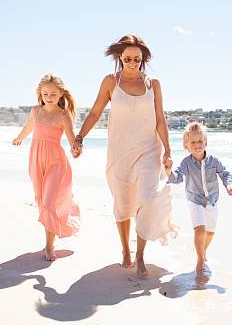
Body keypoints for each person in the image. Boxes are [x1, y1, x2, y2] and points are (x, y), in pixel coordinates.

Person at [72, 34, 176, 277]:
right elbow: (96, 111)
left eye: (137, 59)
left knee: (146, 199)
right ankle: (125, 251)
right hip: (120, 152)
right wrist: (80, 137)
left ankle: (140, 255)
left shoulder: (154, 84)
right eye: (127, 58)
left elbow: (160, 119)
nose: (132, 62)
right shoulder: (111, 82)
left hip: (150, 150)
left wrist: (168, 149)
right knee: (123, 202)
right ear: (120, 57)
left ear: (143, 59)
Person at [12, 73, 81, 261]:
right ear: (40, 94)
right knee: (42, 202)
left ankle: (49, 247)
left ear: (60, 95)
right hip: (36, 159)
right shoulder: (36, 111)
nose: (49, 97)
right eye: (45, 94)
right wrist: (19, 138)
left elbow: (71, 138)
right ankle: (50, 238)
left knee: (49, 203)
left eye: (52, 94)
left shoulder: (63, 115)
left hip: (56, 162)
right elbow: (28, 128)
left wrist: (76, 148)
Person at [165, 122, 232, 273]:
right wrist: (169, 172)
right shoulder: (186, 163)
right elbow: (177, 177)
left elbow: (225, 173)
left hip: (212, 201)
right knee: (200, 230)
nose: (197, 145)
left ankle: (202, 251)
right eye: (193, 142)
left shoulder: (214, 161)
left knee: (210, 232)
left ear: (206, 142)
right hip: (194, 200)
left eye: (200, 141)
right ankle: (200, 260)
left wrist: (229, 185)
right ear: (186, 145)